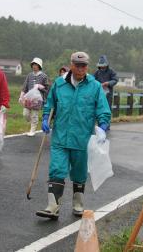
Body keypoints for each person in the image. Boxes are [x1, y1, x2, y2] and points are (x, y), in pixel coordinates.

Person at [36, 52, 111, 220]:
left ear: (87, 66)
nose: (80, 69)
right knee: (57, 169)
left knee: (79, 172)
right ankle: (52, 207)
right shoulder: (59, 84)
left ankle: (78, 203)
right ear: (71, 65)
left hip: (82, 138)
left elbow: (103, 109)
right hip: (60, 136)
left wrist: (103, 126)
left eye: (83, 65)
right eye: (77, 65)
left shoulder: (95, 86)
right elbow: (50, 104)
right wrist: (45, 119)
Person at [19, 58, 49, 137]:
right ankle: (31, 123)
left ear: (39, 66)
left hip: (37, 100)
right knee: (25, 114)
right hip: (28, 99)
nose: (34, 66)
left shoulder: (44, 76)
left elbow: (47, 89)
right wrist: (21, 96)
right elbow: (25, 86)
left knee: (34, 115)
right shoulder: (30, 75)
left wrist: (40, 87)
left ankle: (32, 130)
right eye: (33, 65)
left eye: (36, 65)